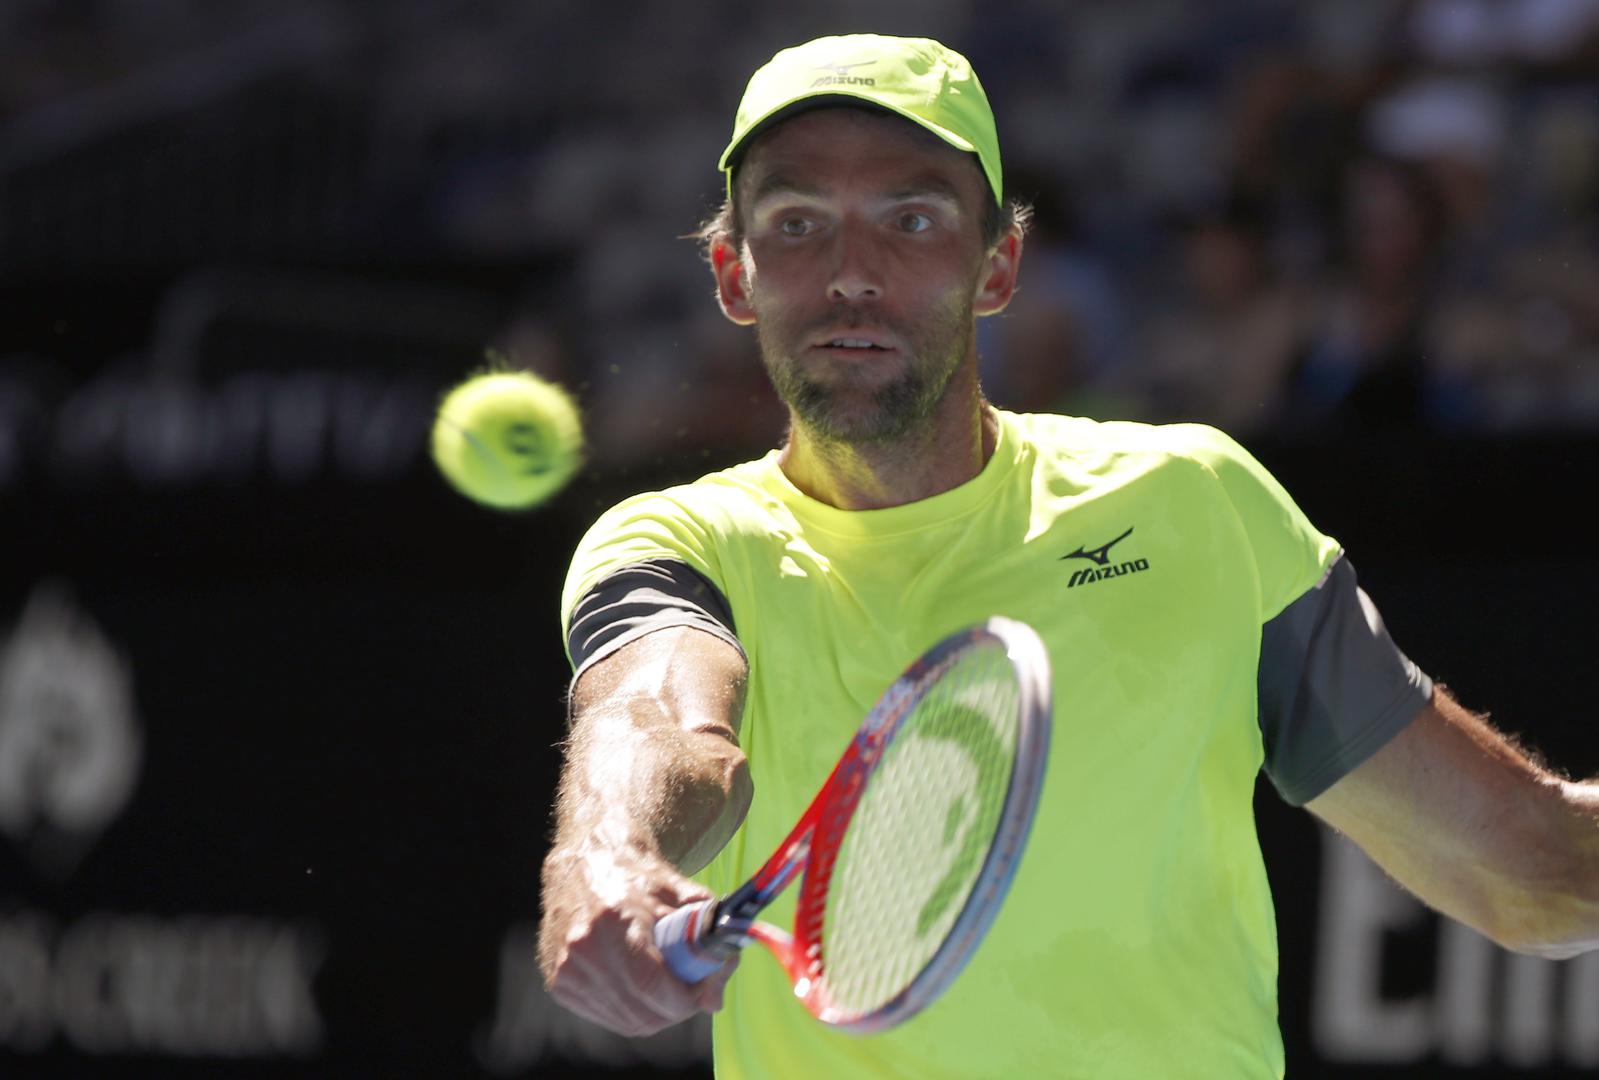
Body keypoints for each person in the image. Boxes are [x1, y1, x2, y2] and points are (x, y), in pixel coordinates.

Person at [537, 34, 1599, 1079]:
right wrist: (606, 853)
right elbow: (654, 714)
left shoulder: (1195, 503)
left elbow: (1530, 866)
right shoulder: (679, 544)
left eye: (912, 219)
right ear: (735, 274)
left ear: (998, 265)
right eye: (797, 223)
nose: (852, 273)